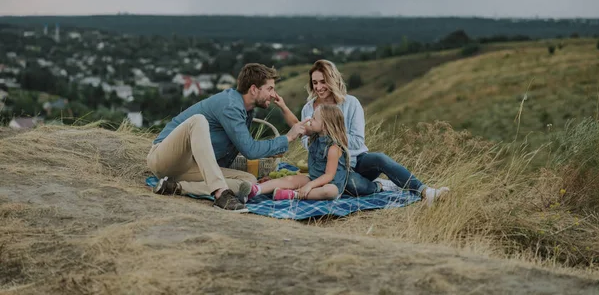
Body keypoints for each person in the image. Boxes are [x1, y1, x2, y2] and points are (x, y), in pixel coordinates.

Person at [274, 59, 449, 206]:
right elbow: (307, 142)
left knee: (380, 158)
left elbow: (358, 140)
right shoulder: (308, 108)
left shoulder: (351, 103)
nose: (319, 87)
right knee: (349, 183)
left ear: (332, 79)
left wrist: (330, 137)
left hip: (358, 160)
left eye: (323, 81)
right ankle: (380, 186)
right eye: (315, 82)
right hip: (333, 167)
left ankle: (426, 192)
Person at [147, 63, 308, 212]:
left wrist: (270, 151)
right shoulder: (230, 105)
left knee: (249, 182)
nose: (274, 95)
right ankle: (220, 194)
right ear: (253, 89)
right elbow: (250, 150)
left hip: (189, 167)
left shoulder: (246, 111)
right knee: (198, 121)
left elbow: (244, 146)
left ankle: (175, 187)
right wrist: (287, 138)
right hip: (164, 158)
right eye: (270, 88)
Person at [247, 105, 351, 201]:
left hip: (329, 184)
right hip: (313, 179)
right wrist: (283, 106)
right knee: (290, 179)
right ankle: (256, 189)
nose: (310, 120)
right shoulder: (316, 135)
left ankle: (293, 194)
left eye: (314, 118)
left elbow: (329, 176)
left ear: (324, 126)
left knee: (330, 191)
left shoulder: (333, 148)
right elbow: (299, 126)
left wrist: (310, 185)